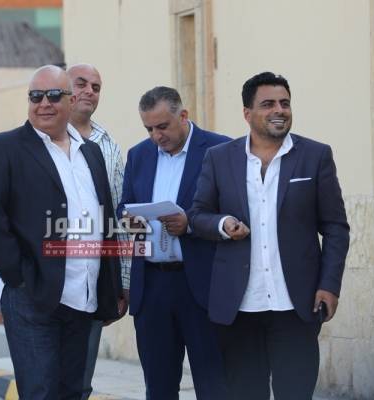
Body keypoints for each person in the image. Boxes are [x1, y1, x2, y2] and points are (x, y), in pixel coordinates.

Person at [188, 72, 350, 400]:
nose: (279, 110)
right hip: (239, 307)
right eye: (268, 104)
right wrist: (223, 224)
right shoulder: (220, 158)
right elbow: (197, 215)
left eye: (284, 103)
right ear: (247, 113)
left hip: (297, 305)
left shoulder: (315, 155)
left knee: (296, 393)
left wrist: (329, 285)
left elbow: (336, 227)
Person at [0, 65, 125, 400]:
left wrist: (112, 285)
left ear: (70, 101)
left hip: (83, 295)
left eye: (54, 95)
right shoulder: (4, 147)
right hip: (32, 295)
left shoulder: (91, 152)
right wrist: (18, 275)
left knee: (74, 391)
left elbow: (105, 219)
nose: (44, 103)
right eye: (35, 96)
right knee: (40, 392)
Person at [118, 86, 229, 399]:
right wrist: (129, 220)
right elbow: (124, 205)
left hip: (202, 287)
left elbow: (234, 212)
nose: (156, 136)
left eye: (162, 126)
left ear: (183, 116)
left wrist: (190, 225)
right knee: (158, 387)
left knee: (215, 386)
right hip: (151, 287)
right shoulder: (138, 155)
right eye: (149, 128)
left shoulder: (220, 149)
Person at [66, 63, 130, 400]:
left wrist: (122, 281)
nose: (89, 91)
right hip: (45, 280)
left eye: (96, 87)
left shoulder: (108, 145)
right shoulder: (38, 138)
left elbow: (120, 214)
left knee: (80, 383)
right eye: (81, 83)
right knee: (42, 381)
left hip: (93, 279)